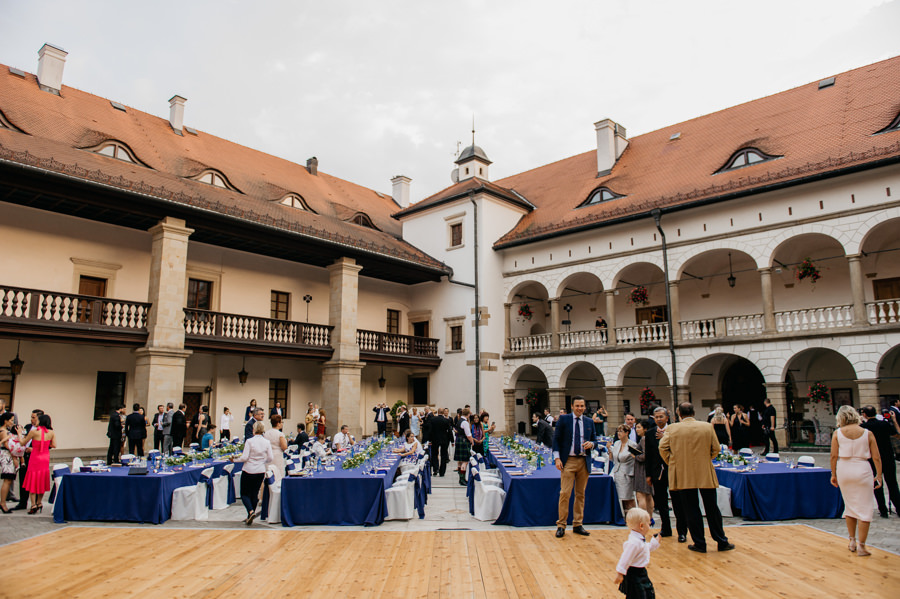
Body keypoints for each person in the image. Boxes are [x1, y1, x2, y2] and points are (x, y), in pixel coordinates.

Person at [659, 402, 734, 553]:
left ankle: (700, 543)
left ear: (679, 414)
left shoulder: (673, 428)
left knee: (691, 509)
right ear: (693, 412)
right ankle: (721, 541)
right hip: (704, 471)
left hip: (683, 472)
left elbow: (662, 447)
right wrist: (706, 458)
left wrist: (673, 462)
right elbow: (716, 448)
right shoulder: (706, 426)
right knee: (712, 508)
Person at [831, 405, 882, 556]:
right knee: (865, 507)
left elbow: (833, 456)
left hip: (844, 469)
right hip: (862, 468)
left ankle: (852, 540)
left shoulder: (837, 433)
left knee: (850, 506)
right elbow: (876, 457)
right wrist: (878, 475)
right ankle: (862, 545)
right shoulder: (867, 433)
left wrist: (833, 474)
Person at [552, 395, 597, 538]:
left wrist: (592, 444)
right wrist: (557, 458)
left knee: (580, 494)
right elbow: (556, 439)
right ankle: (561, 525)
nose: (580, 408)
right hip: (568, 460)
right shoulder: (564, 419)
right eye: (577, 406)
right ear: (572, 406)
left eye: (582, 406)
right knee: (565, 493)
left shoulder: (589, 421)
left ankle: (578, 524)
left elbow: (595, 438)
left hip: (584, 461)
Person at [644, 407, 682, 539]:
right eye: (656, 417)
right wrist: (648, 474)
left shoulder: (675, 431)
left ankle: (682, 531)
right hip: (656, 472)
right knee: (661, 503)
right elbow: (648, 455)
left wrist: (666, 437)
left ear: (667, 417)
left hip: (673, 471)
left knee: (677, 502)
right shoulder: (649, 433)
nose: (659, 419)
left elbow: (679, 449)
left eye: (661, 416)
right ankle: (666, 529)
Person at [859, 406, 900, 518]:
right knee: (892, 483)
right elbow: (897, 434)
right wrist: (894, 420)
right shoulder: (885, 424)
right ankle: (899, 507)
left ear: (865, 414)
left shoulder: (864, 427)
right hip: (887, 456)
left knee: (876, 484)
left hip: (872, 457)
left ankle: (883, 510)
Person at [232, 420, 273, 526]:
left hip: (249, 469)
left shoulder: (250, 441)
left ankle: (250, 511)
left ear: (254, 429)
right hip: (260, 470)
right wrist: (262, 461)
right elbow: (270, 458)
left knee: (245, 493)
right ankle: (250, 514)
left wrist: (235, 460)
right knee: (254, 493)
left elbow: (245, 457)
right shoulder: (266, 442)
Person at [614, 507, 660, 599]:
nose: (650, 524)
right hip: (634, 574)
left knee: (646, 594)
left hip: (641, 572)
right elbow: (625, 558)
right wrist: (620, 573)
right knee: (637, 595)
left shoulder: (639, 540)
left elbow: (646, 549)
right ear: (641, 526)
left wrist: (655, 542)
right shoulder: (634, 543)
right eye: (648, 523)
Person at [22, 414, 54, 514]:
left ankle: (33, 505)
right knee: (41, 479)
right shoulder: (51, 432)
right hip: (45, 458)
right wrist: (44, 445)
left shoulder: (34, 432)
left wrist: (19, 434)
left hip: (35, 457)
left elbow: (23, 442)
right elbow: (54, 445)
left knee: (33, 480)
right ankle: (39, 502)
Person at [11, 409, 43, 511]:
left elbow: (48, 446)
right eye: (31, 417)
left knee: (35, 481)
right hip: (24, 457)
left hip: (36, 458)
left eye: (33, 417)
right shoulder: (28, 427)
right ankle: (22, 502)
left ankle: (37, 503)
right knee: (23, 479)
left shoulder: (44, 430)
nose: (31, 419)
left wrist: (34, 449)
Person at [608, 424, 636, 512]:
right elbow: (612, 459)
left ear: (627, 433)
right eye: (618, 431)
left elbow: (637, 458)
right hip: (617, 472)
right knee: (620, 497)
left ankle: (633, 515)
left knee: (628, 497)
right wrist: (609, 449)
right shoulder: (616, 443)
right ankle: (624, 515)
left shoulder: (632, 445)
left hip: (627, 473)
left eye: (621, 431)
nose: (618, 433)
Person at [0, 412, 21, 514]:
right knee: (7, 479)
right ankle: (3, 502)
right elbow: (7, 445)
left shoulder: (6, 431)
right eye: (11, 420)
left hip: (7, 455)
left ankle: (3, 502)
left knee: (8, 480)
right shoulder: (3, 431)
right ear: (5, 421)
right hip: (6, 456)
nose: (12, 423)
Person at [633, 420, 654, 519]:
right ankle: (650, 518)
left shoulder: (644, 439)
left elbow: (646, 455)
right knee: (648, 495)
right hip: (647, 469)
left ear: (645, 429)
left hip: (642, 470)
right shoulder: (648, 438)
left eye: (639, 427)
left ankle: (644, 518)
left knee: (641, 495)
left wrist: (635, 456)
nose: (637, 429)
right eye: (636, 427)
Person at [263, 415, 288, 481]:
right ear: (278, 423)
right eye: (281, 422)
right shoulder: (280, 434)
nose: (282, 424)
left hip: (268, 455)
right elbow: (284, 447)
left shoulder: (266, 433)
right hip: (277, 456)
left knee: (268, 473)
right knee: (278, 474)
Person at [454, 408, 474, 485]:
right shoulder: (465, 422)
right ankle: (462, 479)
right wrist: (472, 441)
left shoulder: (459, 420)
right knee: (465, 461)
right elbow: (468, 434)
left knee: (460, 461)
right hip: (464, 441)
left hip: (459, 440)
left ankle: (460, 479)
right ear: (468, 414)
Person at [431, 408, 452, 476]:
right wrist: (452, 440)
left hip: (435, 439)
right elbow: (449, 431)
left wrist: (429, 439)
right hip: (444, 439)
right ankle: (442, 472)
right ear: (443, 413)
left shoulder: (433, 419)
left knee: (434, 454)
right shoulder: (446, 420)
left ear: (437, 412)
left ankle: (435, 469)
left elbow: (430, 430)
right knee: (443, 455)